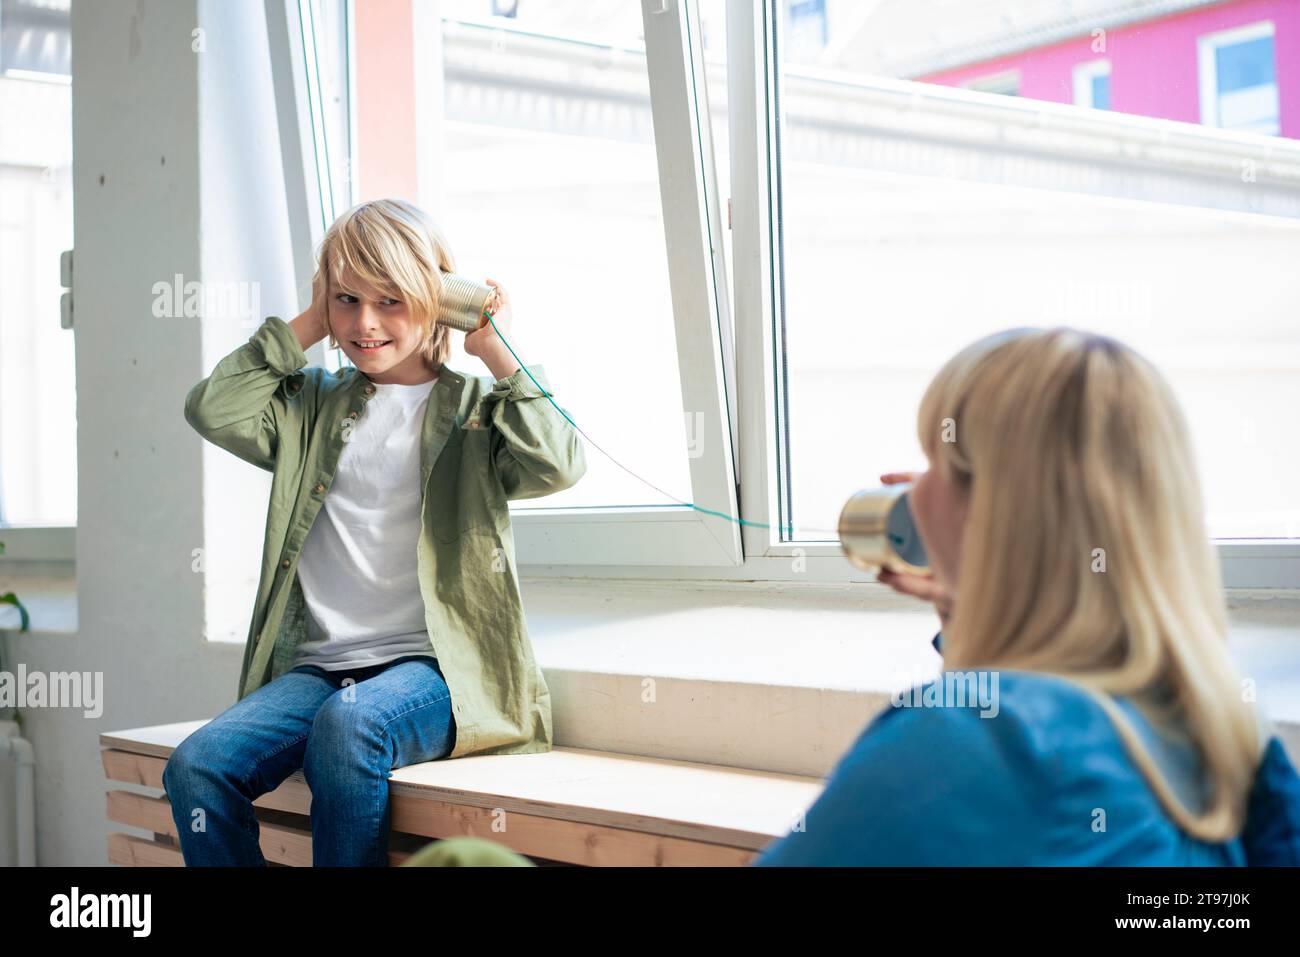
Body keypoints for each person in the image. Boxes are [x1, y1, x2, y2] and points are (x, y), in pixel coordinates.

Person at [755, 327, 1300, 865]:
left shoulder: (972, 741)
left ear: (991, 508)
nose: (914, 488)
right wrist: (974, 611)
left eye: (935, 460)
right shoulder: (1224, 726)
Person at [163, 198, 586, 866]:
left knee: (349, 726)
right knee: (195, 766)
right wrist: (309, 318)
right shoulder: (308, 406)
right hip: (322, 670)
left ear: (436, 298)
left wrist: (494, 347)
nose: (365, 322)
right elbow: (212, 406)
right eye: (347, 300)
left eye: (392, 300)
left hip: (433, 671)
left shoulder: (476, 411)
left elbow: (560, 462)